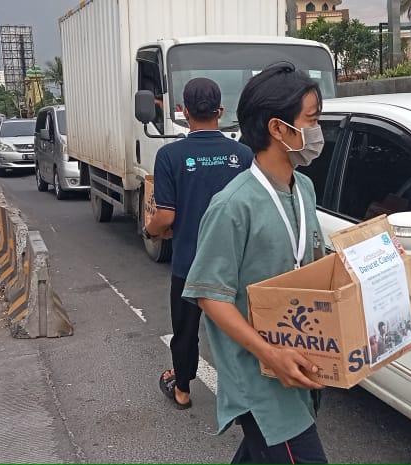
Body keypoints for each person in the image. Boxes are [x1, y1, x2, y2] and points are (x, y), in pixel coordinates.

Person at [182, 63, 328, 464]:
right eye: (311, 121)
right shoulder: (232, 205)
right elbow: (209, 295)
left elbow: (314, 259)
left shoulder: (304, 188)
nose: (317, 133)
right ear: (278, 129)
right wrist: (270, 354)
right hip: (260, 377)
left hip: (300, 362)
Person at [144, 77, 253, 410]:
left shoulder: (170, 156)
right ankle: (247, 393)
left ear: (183, 111)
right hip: (234, 264)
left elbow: (165, 217)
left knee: (186, 330)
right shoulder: (243, 154)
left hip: (190, 264)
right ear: (220, 111)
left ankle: (183, 389)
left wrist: (150, 232)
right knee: (237, 329)